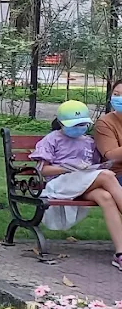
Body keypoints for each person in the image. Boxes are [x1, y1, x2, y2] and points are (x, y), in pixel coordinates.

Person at [30, 100, 122, 271]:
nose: (79, 128)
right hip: (60, 184)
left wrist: (98, 166)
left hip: (81, 183)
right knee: (107, 176)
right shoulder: (52, 139)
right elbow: (42, 170)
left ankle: (120, 253)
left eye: (83, 124)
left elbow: (94, 166)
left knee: (105, 196)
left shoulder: (88, 142)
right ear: (61, 123)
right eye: (74, 125)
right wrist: (66, 167)